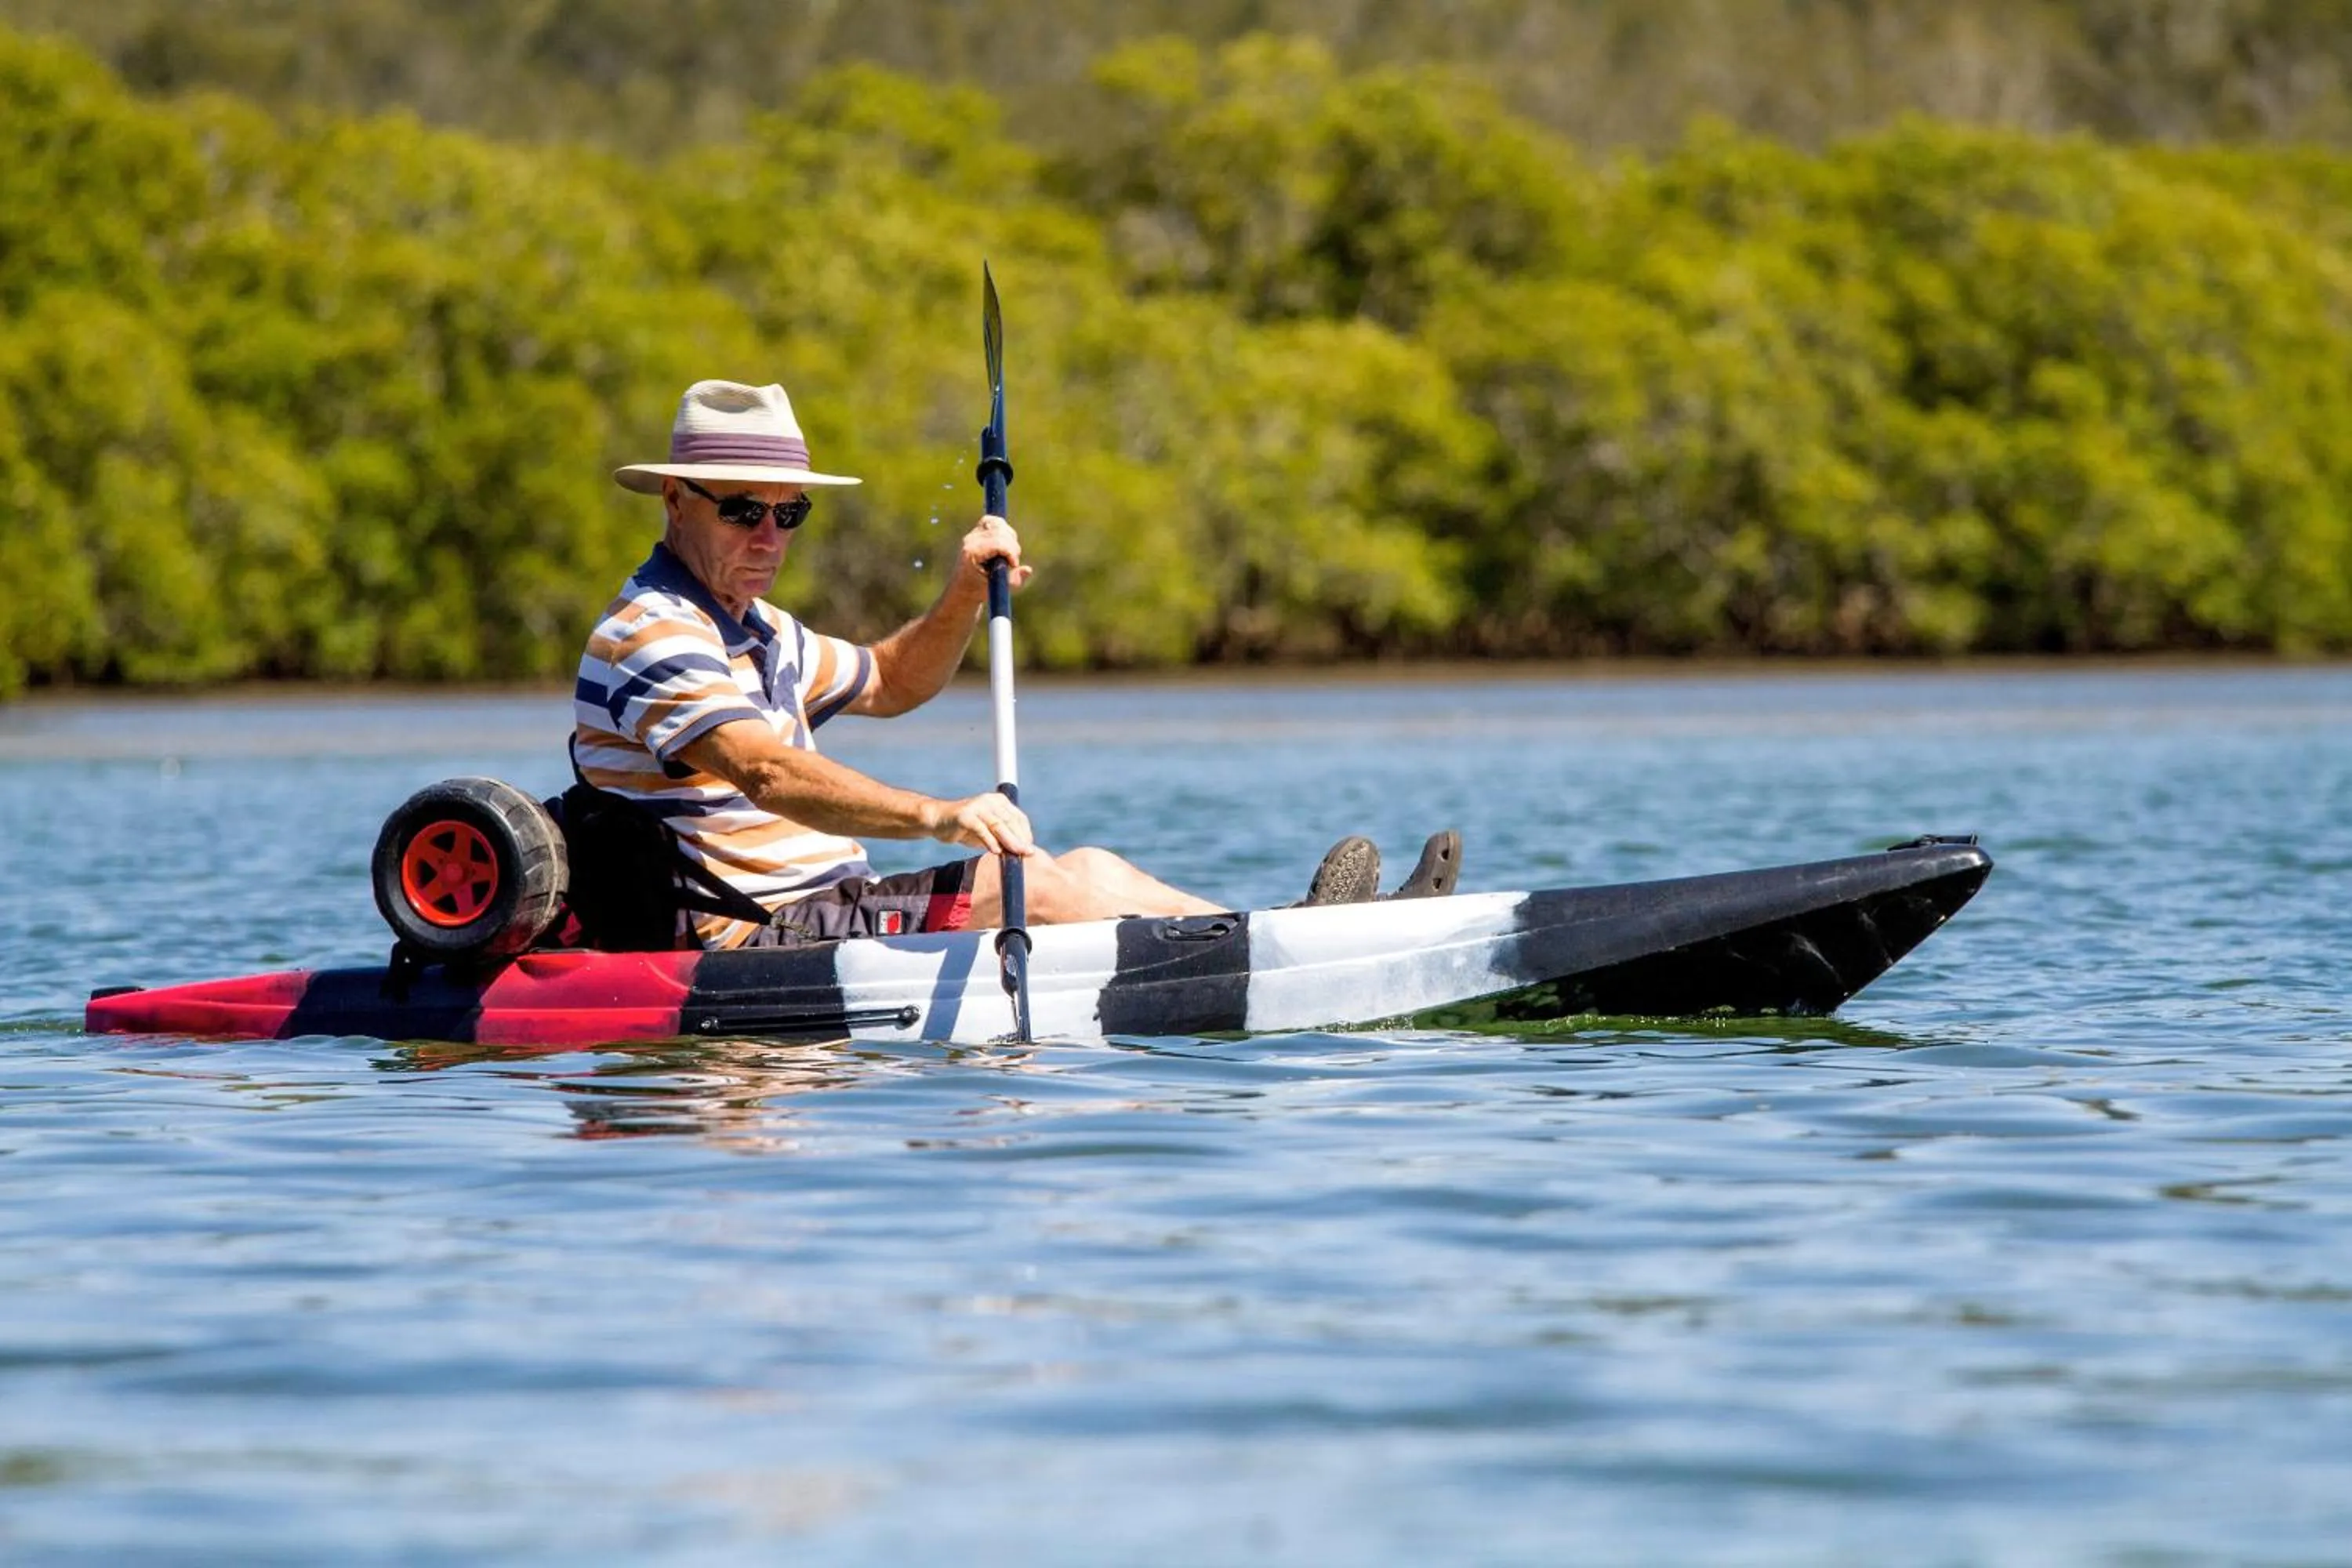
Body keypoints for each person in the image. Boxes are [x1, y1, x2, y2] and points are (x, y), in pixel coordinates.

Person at [573, 379, 1451, 950]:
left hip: (831, 905)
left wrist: (962, 591)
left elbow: (889, 679)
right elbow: (762, 770)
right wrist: (939, 813)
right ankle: (1296, 953)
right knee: (1027, 884)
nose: (769, 537)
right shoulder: (655, 631)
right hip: (750, 935)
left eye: (788, 513)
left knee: (1093, 870)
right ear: (677, 499)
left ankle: (1300, 937)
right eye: (741, 510)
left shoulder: (757, 628)